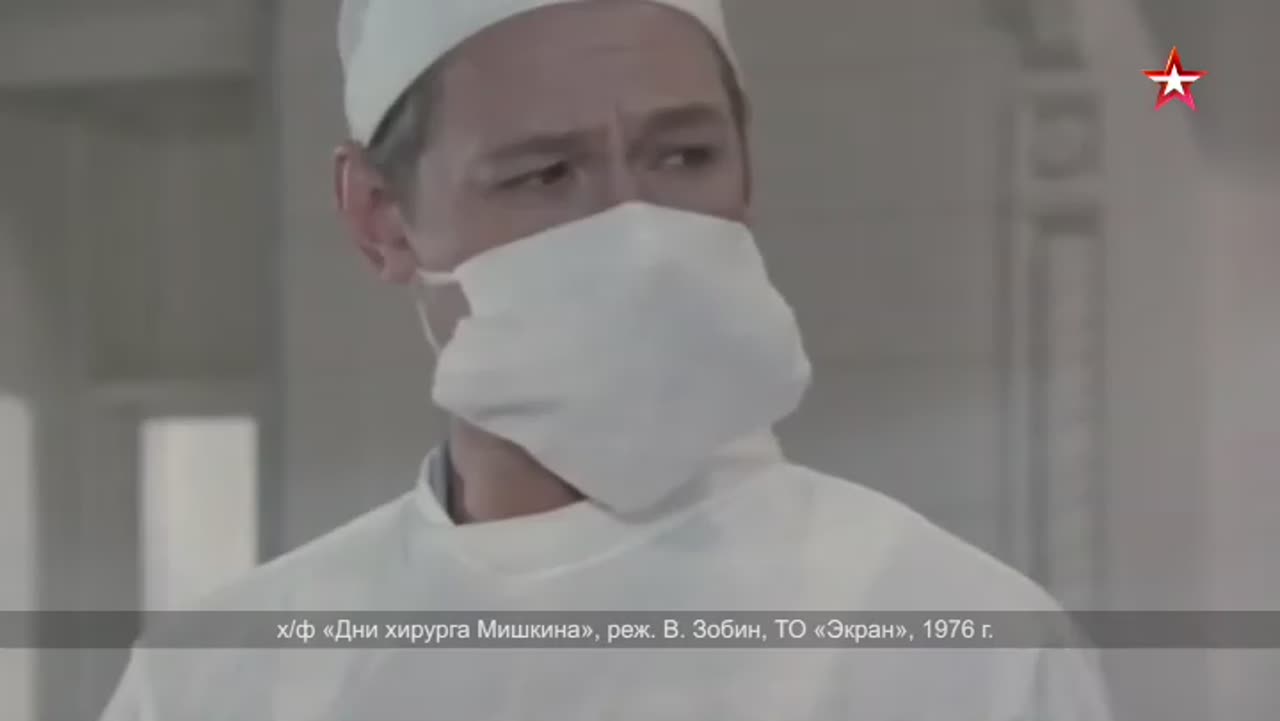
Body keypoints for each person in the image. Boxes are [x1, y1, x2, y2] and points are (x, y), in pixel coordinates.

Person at [100, 0, 1114, 718]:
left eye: (683, 157)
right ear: (380, 217)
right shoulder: (220, 681)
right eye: (545, 174)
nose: (638, 234)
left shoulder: (963, 646)